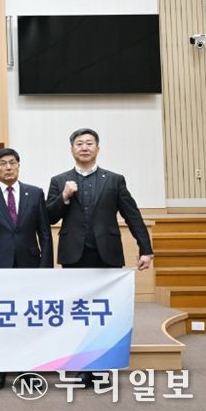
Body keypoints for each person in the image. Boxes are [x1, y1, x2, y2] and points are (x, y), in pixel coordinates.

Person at [46, 128, 153, 387]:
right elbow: (48, 217)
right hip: (74, 255)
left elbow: (132, 214)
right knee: (79, 312)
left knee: (106, 312)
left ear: (98, 148)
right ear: (72, 149)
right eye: (79, 143)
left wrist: (145, 248)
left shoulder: (114, 180)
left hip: (107, 254)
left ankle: (103, 365)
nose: (84, 147)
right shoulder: (59, 181)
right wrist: (64, 197)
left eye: (89, 143)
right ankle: (83, 367)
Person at [0, 148, 53, 390]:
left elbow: (44, 233)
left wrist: (45, 268)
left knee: (27, 317)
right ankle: (0, 366)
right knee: (0, 317)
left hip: (29, 263)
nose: (8, 167)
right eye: (3, 164)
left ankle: (27, 366)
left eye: (12, 163)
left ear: (18, 166)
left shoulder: (35, 193)